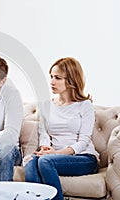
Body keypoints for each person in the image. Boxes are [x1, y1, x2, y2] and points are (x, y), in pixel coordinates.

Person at [24, 57, 99, 200]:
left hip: (83, 157)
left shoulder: (85, 105)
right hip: (53, 156)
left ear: (71, 80)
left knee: (45, 162)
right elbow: (44, 133)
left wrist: (57, 153)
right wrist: (45, 148)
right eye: (51, 77)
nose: (52, 81)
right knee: (29, 160)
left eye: (57, 78)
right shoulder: (46, 105)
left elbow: (84, 140)